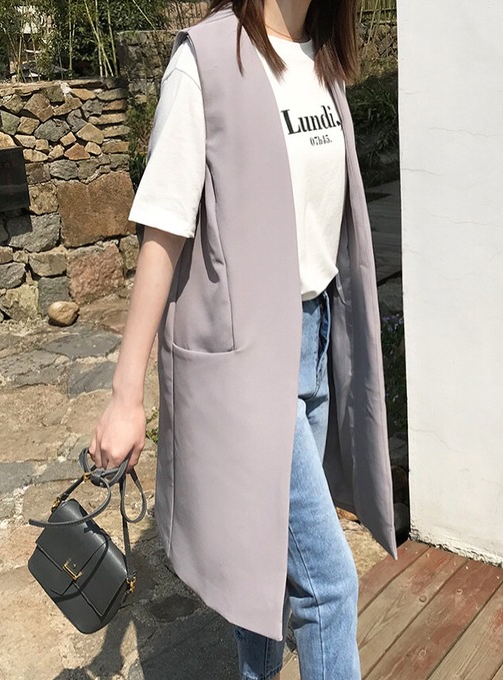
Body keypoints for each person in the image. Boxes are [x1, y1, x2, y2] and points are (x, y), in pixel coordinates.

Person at [89, 0, 397, 678]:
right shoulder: (204, 61)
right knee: (329, 585)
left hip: (316, 342)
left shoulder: (322, 59)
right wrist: (125, 394)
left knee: (270, 571)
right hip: (248, 367)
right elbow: (163, 229)